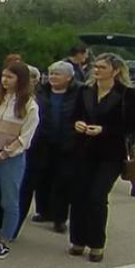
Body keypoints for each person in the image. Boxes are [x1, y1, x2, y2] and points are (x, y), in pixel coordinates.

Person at [68, 53, 135, 263]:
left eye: (102, 67)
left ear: (116, 70)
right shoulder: (85, 91)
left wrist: (105, 130)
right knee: (79, 195)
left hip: (111, 154)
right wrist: (77, 124)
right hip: (84, 151)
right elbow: (74, 115)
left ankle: (96, 244)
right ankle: (77, 240)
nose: (97, 70)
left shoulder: (128, 94)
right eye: (96, 67)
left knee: (97, 196)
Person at [0, 62, 39, 259]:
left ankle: (5, 239)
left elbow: (25, 138)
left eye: (10, 77)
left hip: (10, 158)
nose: (5, 80)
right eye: (3, 76)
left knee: (9, 199)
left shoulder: (29, 106)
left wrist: (4, 154)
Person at [25, 61, 79, 233]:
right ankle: (43, 211)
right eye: (51, 73)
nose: (53, 77)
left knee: (62, 182)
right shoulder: (41, 91)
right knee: (42, 179)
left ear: (69, 77)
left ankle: (59, 218)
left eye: (58, 74)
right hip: (42, 142)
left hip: (67, 144)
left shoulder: (79, 93)